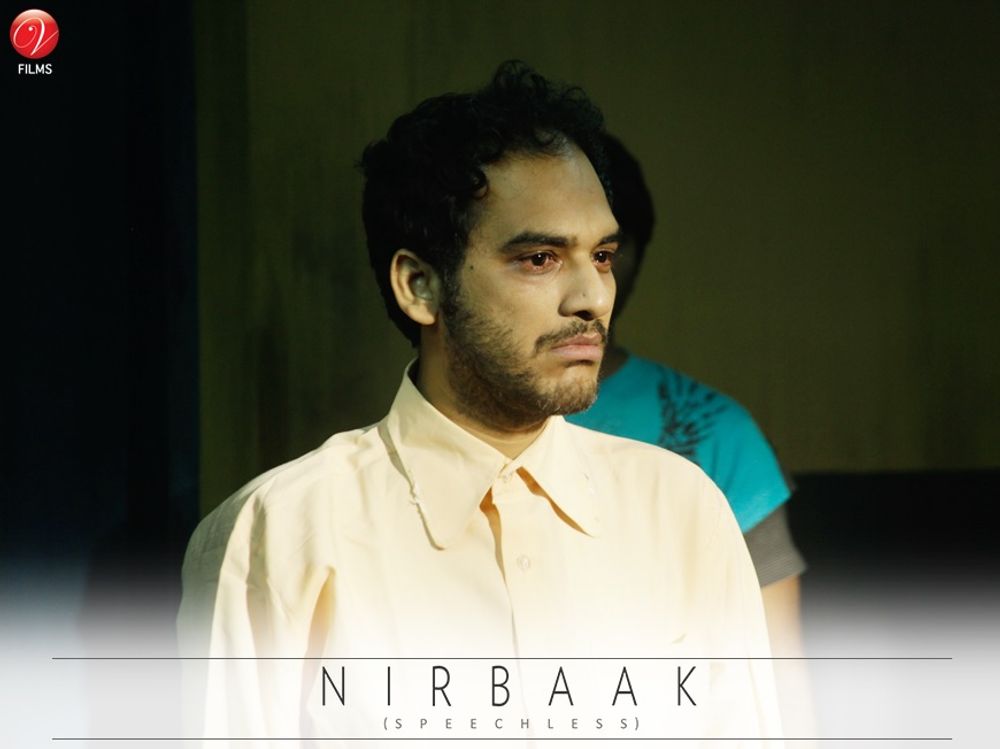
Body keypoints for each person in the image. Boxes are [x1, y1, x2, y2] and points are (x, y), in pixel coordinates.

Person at [178, 62, 783, 745]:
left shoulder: (681, 510)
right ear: (419, 285)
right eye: (540, 259)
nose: (592, 297)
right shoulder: (282, 531)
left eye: (603, 255)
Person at [567, 132, 812, 736]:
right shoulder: (417, 449)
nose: (584, 287)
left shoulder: (714, 432)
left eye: (606, 252)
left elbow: (779, 684)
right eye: (541, 255)